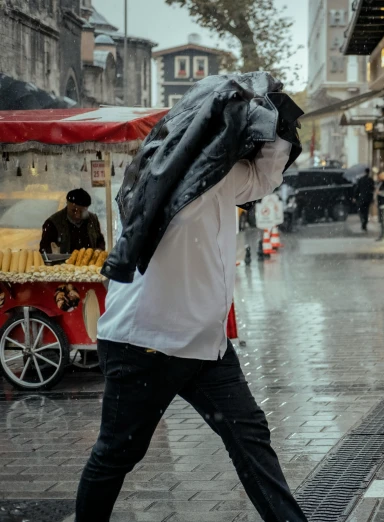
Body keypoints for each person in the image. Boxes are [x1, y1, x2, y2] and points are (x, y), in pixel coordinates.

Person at [74, 137, 308, 522]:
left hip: (205, 346)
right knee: (117, 453)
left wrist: (277, 123)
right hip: (143, 345)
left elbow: (264, 177)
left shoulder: (224, 172)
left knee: (249, 436)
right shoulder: (156, 179)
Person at [40, 188, 106, 254]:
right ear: (67, 204)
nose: (77, 215)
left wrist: (98, 250)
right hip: (62, 263)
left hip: (89, 263)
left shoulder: (93, 220)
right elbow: (45, 251)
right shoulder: (53, 223)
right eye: (73, 210)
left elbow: (99, 241)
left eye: (82, 211)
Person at [354, 167, 375, 232]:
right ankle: (364, 223)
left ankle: (363, 220)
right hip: (368, 198)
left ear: (364, 172)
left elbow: (357, 189)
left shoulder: (361, 180)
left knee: (361, 210)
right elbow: (373, 189)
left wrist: (355, 197)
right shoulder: (370, 180)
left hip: (362, 198)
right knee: (366, 211)